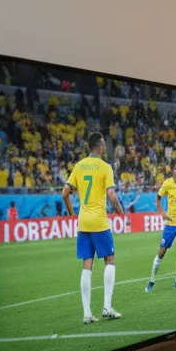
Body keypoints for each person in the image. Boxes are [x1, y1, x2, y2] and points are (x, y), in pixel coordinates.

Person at [62, 132, 126, 323]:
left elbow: (65, 193)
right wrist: (120, 211)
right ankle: (107, 307)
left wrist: (72, 214)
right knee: (110, 260)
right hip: (99, 221)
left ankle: (87, 313)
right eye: (104, 144)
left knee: (87, 265)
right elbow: (111, 194)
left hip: (83, 222)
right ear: (99, 146)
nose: (105, 147)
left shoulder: (79, 166)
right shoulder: (105, 167)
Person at [149, 159, 176, 291]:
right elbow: (158, 198)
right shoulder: (167, 183)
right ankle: (152, 279)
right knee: (162, 252)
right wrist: (162, 212)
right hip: (169, 225)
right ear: (173, 171)